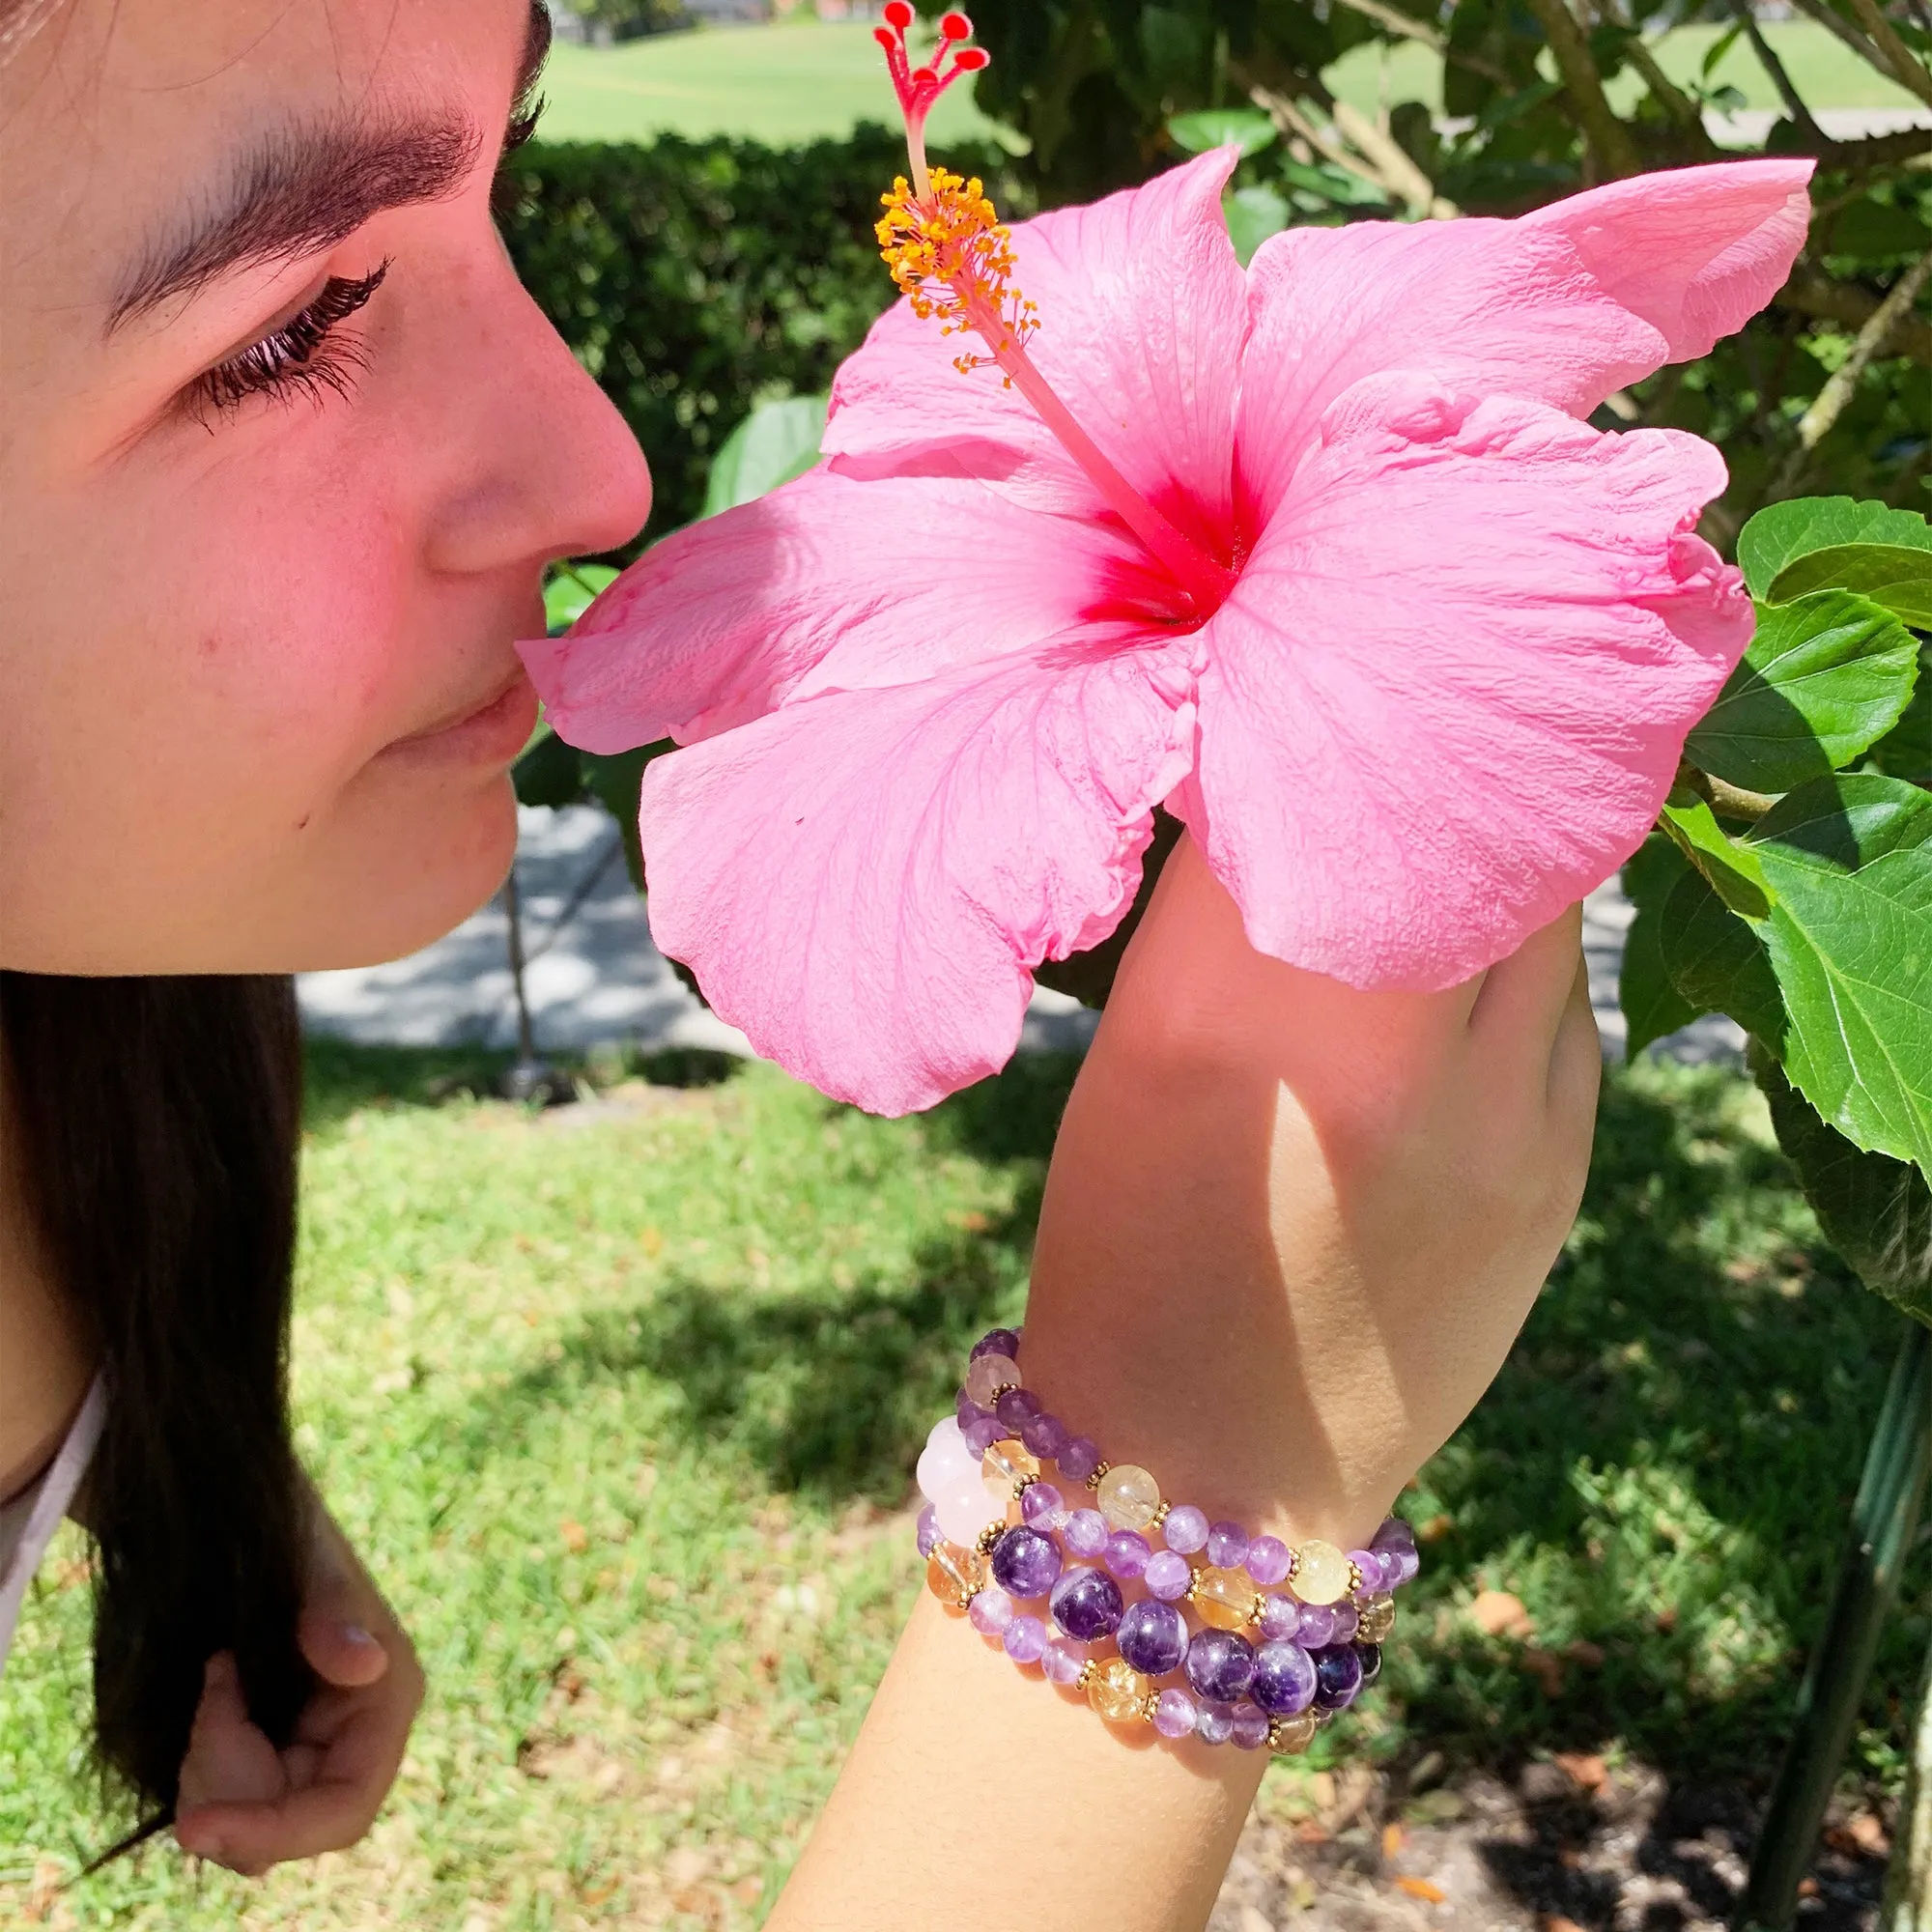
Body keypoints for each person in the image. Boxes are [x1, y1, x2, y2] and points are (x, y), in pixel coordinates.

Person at [0, 0, 1597, 1921]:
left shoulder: (102, 997)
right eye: (291, 329)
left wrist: (186, 1484)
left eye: (508, 173)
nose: (602, 472)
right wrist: (1176, 1493)